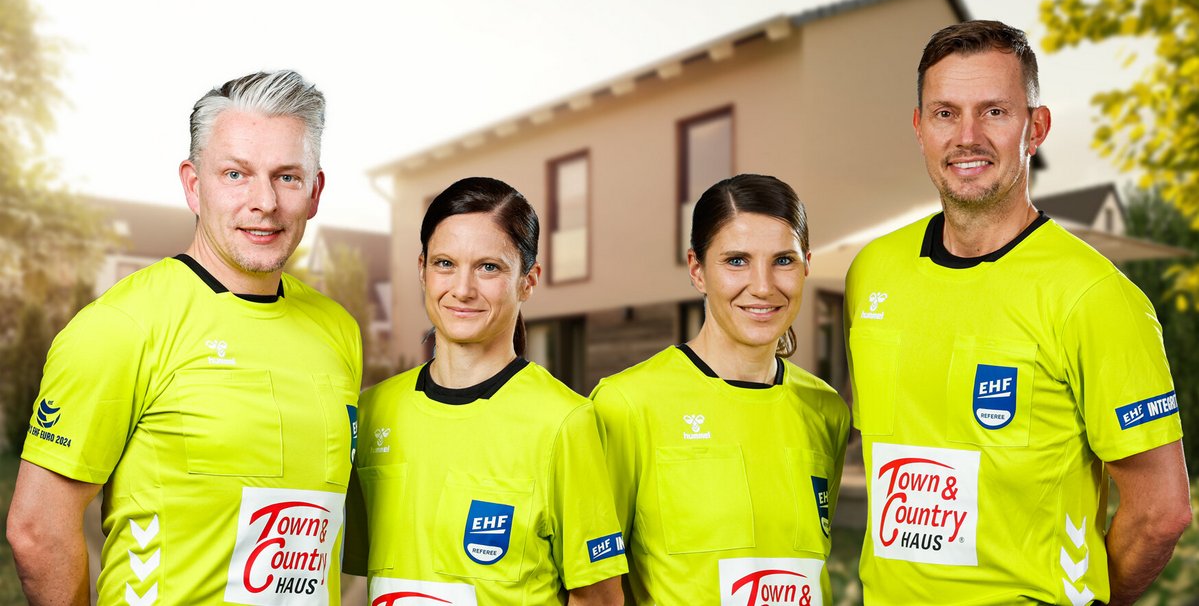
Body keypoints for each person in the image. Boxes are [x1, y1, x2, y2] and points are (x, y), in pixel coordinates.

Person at [845, 20, 1192, 605]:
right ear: (920, 128)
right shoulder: (871, 273)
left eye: (995, 112)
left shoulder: (1095, 297)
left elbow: (1161, 513)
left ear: (1036, 128)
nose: (968, 137)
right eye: (946, 113)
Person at [7, 70, 363, 605]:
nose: (264, 201)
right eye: (236, 174)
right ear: (194, 185)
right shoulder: (122, 326)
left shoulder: (338, 330)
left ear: (314, 192)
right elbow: (37, 530)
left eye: (287, 177)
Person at [344, 176, 626, 605]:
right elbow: (354, 577)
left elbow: (599, 598)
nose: (462, 289)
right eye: (445, 264)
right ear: (422, 270)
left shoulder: (564, 422)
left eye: (488, 267)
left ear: (528, 280)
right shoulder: (373, 411)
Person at [591, 173, 850, 605]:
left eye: (783, 261)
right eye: (736, 261)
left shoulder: (825, 408)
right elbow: (596, 586)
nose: (763, 286)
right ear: (697, 270)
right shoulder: (627, 404)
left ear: (806, 265)